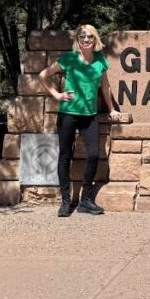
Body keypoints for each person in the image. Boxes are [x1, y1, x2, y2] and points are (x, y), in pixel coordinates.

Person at [38, 24, 120, 217]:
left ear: (95, 40)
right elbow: (43, 75)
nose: (85, 40)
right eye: (82, 36)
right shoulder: (69, 59)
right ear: (78, 40)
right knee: (65, 156)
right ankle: (66, 202)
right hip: (68, 114)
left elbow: (105, 87)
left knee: (93, 154)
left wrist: (112, 109)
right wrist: (57, 95)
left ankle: (85, 200)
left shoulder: (100, 60)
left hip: (89, 116)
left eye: (89, 37)